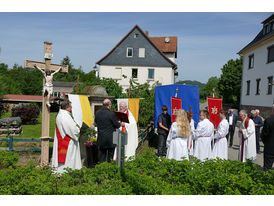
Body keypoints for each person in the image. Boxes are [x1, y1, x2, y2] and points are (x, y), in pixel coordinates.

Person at [51, 100, 82, 173]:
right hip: (67, 142)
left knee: (63, 160)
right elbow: (72, 130)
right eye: (71, 107)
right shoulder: (65, 116)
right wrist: (78, 129)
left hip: (62, 140)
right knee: (69, 160)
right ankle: (66, 173)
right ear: (67, 107)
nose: (71, 109)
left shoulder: (60, 115)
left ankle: (61, 173)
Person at [95, 99, 121, 163]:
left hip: (101, 138)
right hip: (110, 138)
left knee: (101, 157)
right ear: (109, 105)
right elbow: (117, 125)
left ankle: (100, 170)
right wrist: (119, 122)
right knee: (110, 157)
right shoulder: (111, 114)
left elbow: (96, 122)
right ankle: (109, 171)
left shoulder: (97, 113)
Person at [261, 105, 274, 170]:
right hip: (270, 146)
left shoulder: (269, 120)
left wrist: (266, 143)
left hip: (270, 148)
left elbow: (264, 135)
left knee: (267, 168)